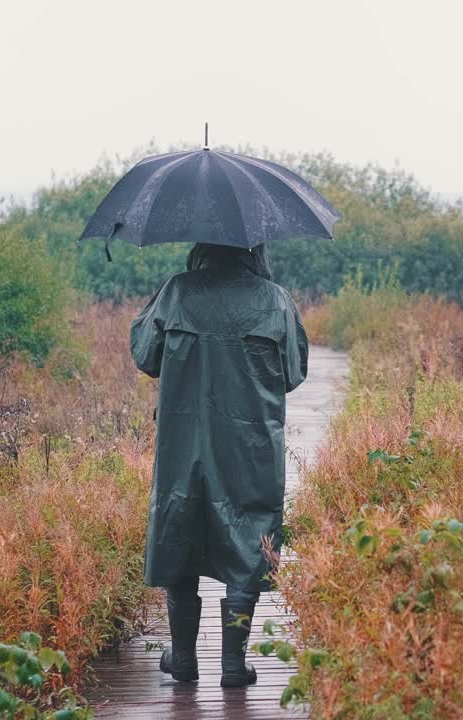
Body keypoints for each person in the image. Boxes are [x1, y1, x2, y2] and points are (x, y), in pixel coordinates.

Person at [129, 242, 308, 688]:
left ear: (201, 244)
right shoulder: (274, 299)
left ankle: (184, 659)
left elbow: (145, 355)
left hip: (183, 440)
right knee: (251, 534)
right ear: (253, 248)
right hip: (251, 444)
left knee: (180, 524)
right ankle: (233, 663)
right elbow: (293, 371)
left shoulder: (176, 293)